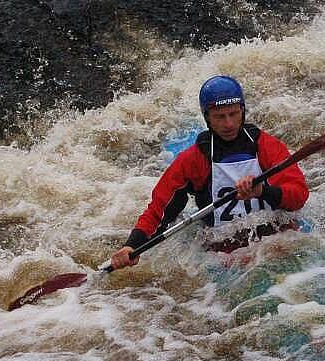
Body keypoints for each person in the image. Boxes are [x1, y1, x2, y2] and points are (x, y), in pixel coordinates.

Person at [111, 75, 309, 269]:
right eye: (220, 117)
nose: (229, 123)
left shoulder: (267, 147)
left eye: (234, 114)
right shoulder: (193, 160)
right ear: (207, 118)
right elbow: (159, 211)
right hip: (226, 252)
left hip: (278, 238)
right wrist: (132, 245)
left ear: (243, 111)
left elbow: (298, 196)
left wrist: (262, 192)